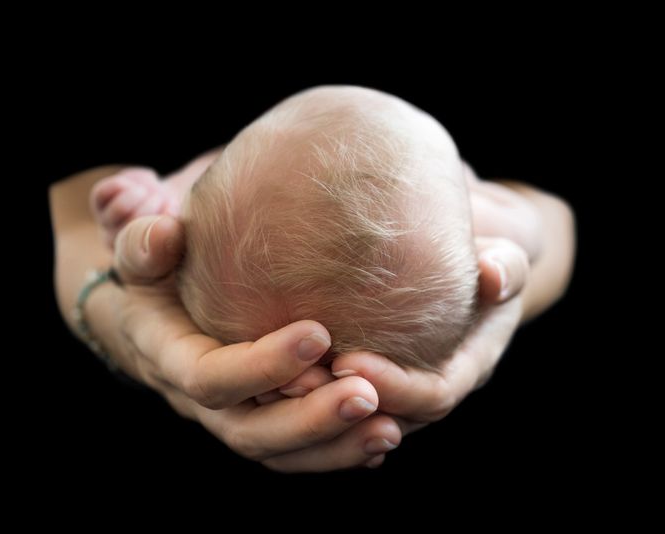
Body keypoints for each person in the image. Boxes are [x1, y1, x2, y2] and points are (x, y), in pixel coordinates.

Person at [50, 86, 575, 472]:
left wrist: (138, 213)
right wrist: (518, 253)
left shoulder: (186, 217)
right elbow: (540, 225)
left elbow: (83, 213)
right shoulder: (481, 214)